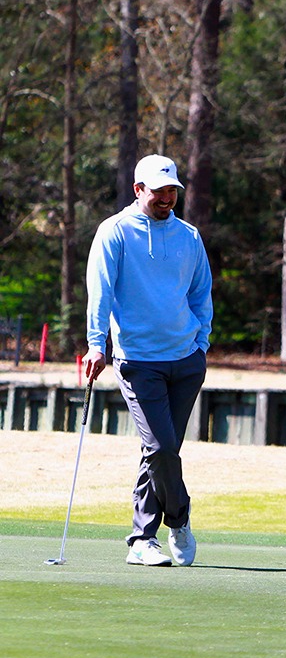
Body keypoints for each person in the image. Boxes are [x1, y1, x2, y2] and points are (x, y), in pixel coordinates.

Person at [84, 154, 214, 568]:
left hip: (186, 359)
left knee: (160, 449)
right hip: (138, 360)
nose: (167, 199)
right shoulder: (115, 232)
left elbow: (201, 293)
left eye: (172, 191)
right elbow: (99, 292)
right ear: (139, 189)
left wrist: (202, 343)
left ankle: (142, 538)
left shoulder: (189, 236)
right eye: (158, 191)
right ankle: (178, 519)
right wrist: (95, 343)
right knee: (160, 448)